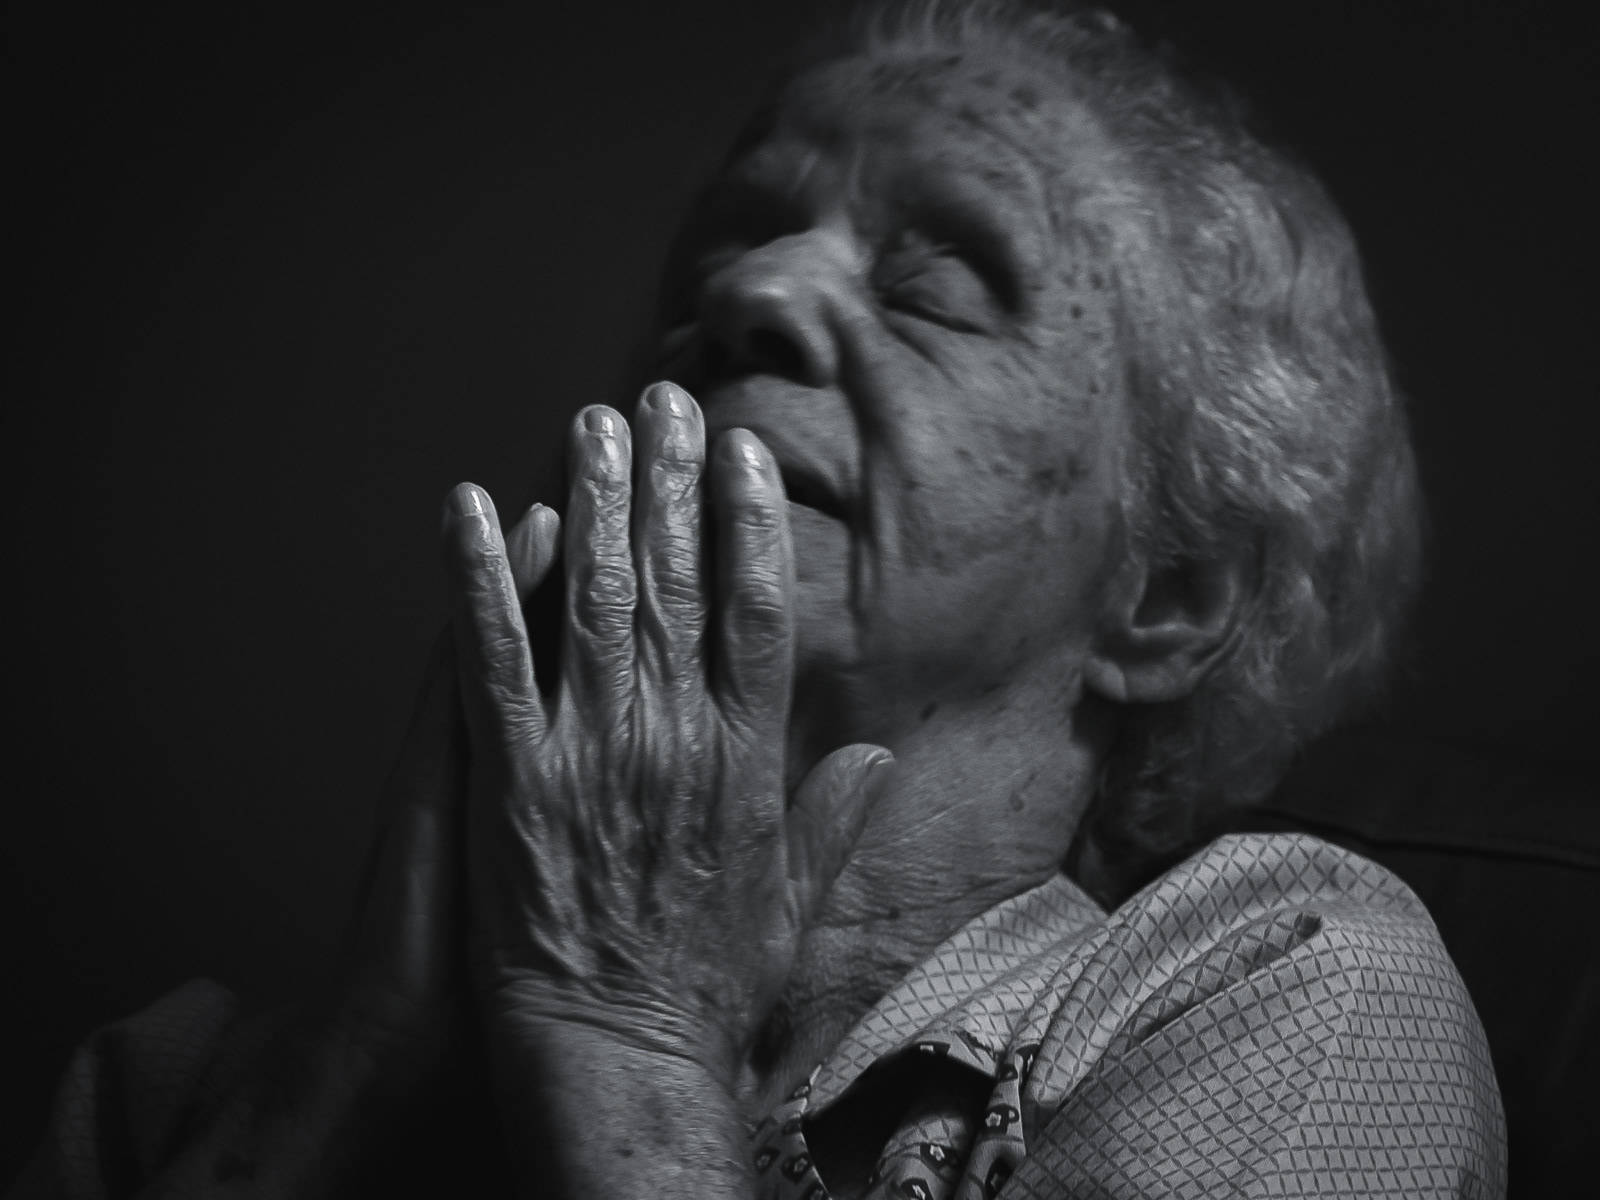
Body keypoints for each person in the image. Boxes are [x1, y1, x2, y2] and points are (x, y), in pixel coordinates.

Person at [14, 2, 1506, 1197]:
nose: (754, 292)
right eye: (724, 246)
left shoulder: (1289, 983)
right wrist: (347, 1073)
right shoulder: (173, 1081)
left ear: (1167, 597)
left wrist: (627, 1032)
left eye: (935, 280)